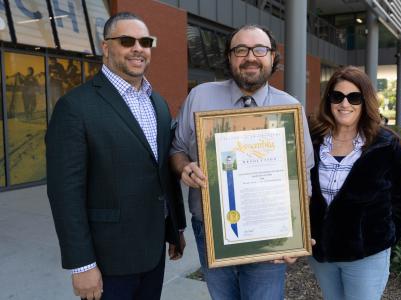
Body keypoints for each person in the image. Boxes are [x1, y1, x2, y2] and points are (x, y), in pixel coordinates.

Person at [46, 12, 186, 300]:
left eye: (145, 41)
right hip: (108, 260)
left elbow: (162, 172)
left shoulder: (157, 102)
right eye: (127, 40)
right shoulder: (74, 107)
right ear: (106, 47)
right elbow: (65, 193)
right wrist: (81, 264)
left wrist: (175, 227)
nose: (138, 48)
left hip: (153, 253)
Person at [170, 24, 314, 300]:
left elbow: (302, 175)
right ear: (229, 57)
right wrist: (184, 168)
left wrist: (297, 235)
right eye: (240, 50)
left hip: (268, 234)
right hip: (211, 231)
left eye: (260, 49)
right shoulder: (200, 97)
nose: (250, 57)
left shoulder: (291, 109)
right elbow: (176, 150)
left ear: (273, 57)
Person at [308, 66, 401, 300]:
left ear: (364, 101)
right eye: (337, 96)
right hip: (323, 253)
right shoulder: (312, 140)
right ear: (329, 101)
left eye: (353, 97)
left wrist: (386, 236)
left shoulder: (385, 145)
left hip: (367, 255)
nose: (344, 104)